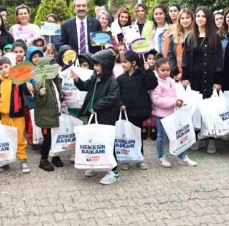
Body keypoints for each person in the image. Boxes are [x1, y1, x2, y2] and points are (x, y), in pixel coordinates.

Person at [71, 50, 121, 185]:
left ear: (106, 65)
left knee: (107, 142)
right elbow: (85, 86)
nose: (95, 67)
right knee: (96, 141)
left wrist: (97, 106)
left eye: (98, 65)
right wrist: (76, 80)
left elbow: (112, 97)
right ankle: (97, 165)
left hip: (105, 117)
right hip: (93, 115)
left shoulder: (112, 81)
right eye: (95, 65)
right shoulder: (95, 77)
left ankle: (114, 172)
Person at [181, 6, 223, 154]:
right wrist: (185, 77)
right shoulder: (190, 37)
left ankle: (211, 138)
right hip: (194, 79)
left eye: (203, 16)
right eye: (197, 16)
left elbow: (219, 60)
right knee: (196, 110)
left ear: (208, 18)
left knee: (209, 109)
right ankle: (199, 137)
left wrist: (218, 81)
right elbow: (185, 59)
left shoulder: (214, 37)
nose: (199, 19)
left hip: (209, 78)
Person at [116, 51, 158, 171]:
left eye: (125, 62)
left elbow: (152, 85)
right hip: (125, 113)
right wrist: (120, 104)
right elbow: (116, 95)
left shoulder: (142, 75)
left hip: (138, 112)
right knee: (125, 137)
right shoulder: (120, 79)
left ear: (133, 63)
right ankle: (125, 159)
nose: (122, 64)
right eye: (121, 62)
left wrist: (149, 70)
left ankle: (139, 158)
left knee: (137, 136)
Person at [151, 58, 197, 167]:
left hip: (173, 113)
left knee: (177, 135)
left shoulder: (171, 80)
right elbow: (156, 100)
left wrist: (180, 100)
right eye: (163, 70)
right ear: (156, 69)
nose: (166, 72)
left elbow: (177, 92)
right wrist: (174, 102)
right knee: (161, 137)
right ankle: (161, 156)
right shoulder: (155, 82)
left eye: (168, 70)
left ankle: (181, 156)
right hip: (161, 115)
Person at [0, 56, 33, 173]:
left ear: (11, 66)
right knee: (5, 139)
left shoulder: (17, 79)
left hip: (17, 115)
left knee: (19, 137)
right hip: (4, 116)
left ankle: (23, 160)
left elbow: (26, 91)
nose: (4, 70)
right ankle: (6, 161)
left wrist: (28, 87)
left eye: (6, 66)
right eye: (1, 68)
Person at [34, 57, 66, 171]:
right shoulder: (40, 84)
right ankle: (43, 159)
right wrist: (41, 95)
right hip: (46, 117)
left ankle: (55, 156)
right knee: (47, 139)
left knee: (55, 136)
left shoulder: (54, 80)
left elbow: (57, 95)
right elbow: (38, 102)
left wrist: (61, 101)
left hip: (55, 115)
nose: (56, 70)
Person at [167, 8, 194, 80]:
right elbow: (170, 55)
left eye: (187, 18)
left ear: (192, 19)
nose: (185, 20)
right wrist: (176, 72)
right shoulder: (174, 36)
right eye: (182, 18)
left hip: (193, 76)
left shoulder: (197, 36)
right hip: (177, 76)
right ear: (179, 20)